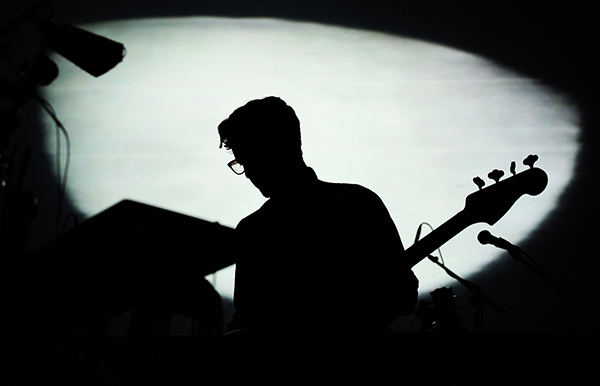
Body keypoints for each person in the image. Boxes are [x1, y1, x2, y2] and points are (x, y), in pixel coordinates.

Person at [218, 96, 418, 340]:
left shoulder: (255, 230)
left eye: (251, 158)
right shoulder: (357, 202)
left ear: (280, 148)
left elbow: (403, 296)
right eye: (240, 161)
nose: (247, 172)